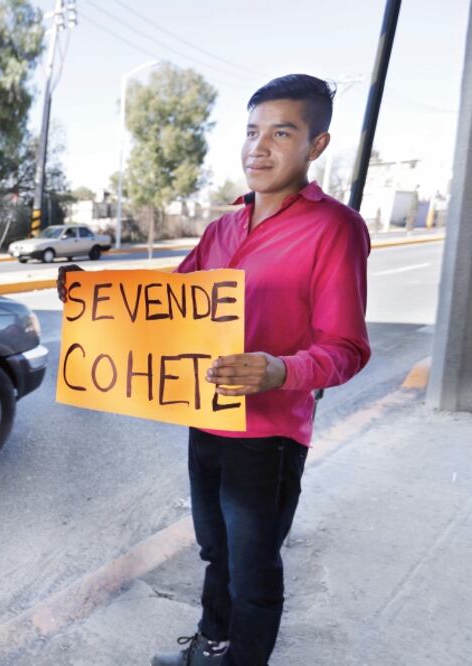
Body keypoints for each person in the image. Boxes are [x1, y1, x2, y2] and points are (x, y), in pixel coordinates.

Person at [57, 74, 371, 665]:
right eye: (252, 131)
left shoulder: (335, 229)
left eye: (282, 132)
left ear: (317, 145)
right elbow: (166, 306)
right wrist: (90, 298)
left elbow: (348, 347)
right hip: (205, 421)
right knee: (214, 551)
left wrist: (278, 371)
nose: (260, 147)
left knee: (253, 570)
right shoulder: (222, 228)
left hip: (268, 436)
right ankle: (211, 645)